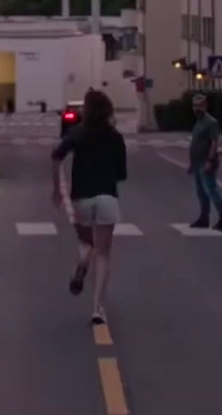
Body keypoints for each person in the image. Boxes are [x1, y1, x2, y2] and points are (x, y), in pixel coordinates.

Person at [51, 89, 128, 326]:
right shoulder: (115, 137)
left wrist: (57, 188)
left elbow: (56, 156)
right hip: (107, 197)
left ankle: (82, 263)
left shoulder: (77, 134)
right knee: (104, 253)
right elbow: (121, 174)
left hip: (81, 197)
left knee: (87, 243)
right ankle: (97, 308)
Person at [188, 94, 222, 230]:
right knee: (201, 193)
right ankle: (204, 218)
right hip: (197, 162)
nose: (197, 108)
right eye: (195, 106)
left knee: (211, 190)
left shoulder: (211, 122)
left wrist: (210, 160)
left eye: (200, 105)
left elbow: (214, 143)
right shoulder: (198, 122)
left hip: (206, 162)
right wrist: (192, 164)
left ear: (206, 106)